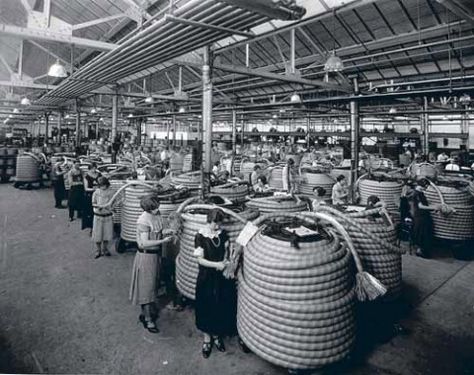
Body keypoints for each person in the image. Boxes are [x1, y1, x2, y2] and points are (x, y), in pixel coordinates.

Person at [194, 209, 237, 358]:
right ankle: (207, 339)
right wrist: (216, 265)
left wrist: (226, 260)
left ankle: (217, 336)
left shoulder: (222, 234)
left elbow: (226, 250)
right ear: (209, 220)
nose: (217, 226)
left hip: (221, 277)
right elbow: (200, 260)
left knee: (219, 305)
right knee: (207, 306)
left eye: (219, 223)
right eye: (215, 223)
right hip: (207, 277)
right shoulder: (200, 236)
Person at [130, 196, 174, 333]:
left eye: (158, 206)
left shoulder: (157, 215)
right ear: (148, 209)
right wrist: (163, 241)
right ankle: (147, 319)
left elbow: (159, 232)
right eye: (154, 208)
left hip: (156, 256)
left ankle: (148, 312)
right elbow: (144, 243)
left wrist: (169, 231)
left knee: (153, 285)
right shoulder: (143, 220)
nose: (157, 209)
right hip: (146, 256)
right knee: (146, 289)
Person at [400, 179, 435, 258]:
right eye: (425, 187)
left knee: (427, 225)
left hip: (419, 215)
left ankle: (422, 249)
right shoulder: (416, 194)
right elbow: (420, 206)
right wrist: (434, 207)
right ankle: (421, 249)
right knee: (424, 228)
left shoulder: (416, 193)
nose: (426, 188)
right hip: (419, 217)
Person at [91, 177, 114, 258]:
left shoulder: (111, 192)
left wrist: (110, 208)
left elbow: (113, 203)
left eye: (104, 185)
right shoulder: (96, 193)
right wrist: (98, 206)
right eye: (100, 185)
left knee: (107, 234)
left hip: (107, 216)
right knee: (98, 234)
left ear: (107, 184)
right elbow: (93, 203)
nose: (102, 187)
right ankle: (98, 250)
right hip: (98, 216)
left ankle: (105, 249)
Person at [83, 163, 101, 233]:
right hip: (90, 195)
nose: (94, 170)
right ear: (89, 169)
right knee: (91, 212)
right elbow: (86, 188)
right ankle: (92, 228)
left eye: (95, 168)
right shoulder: (86, 177)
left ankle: (98, 227)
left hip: (99, 195)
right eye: (92, 168)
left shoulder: (99, 175)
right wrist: (94, 189)